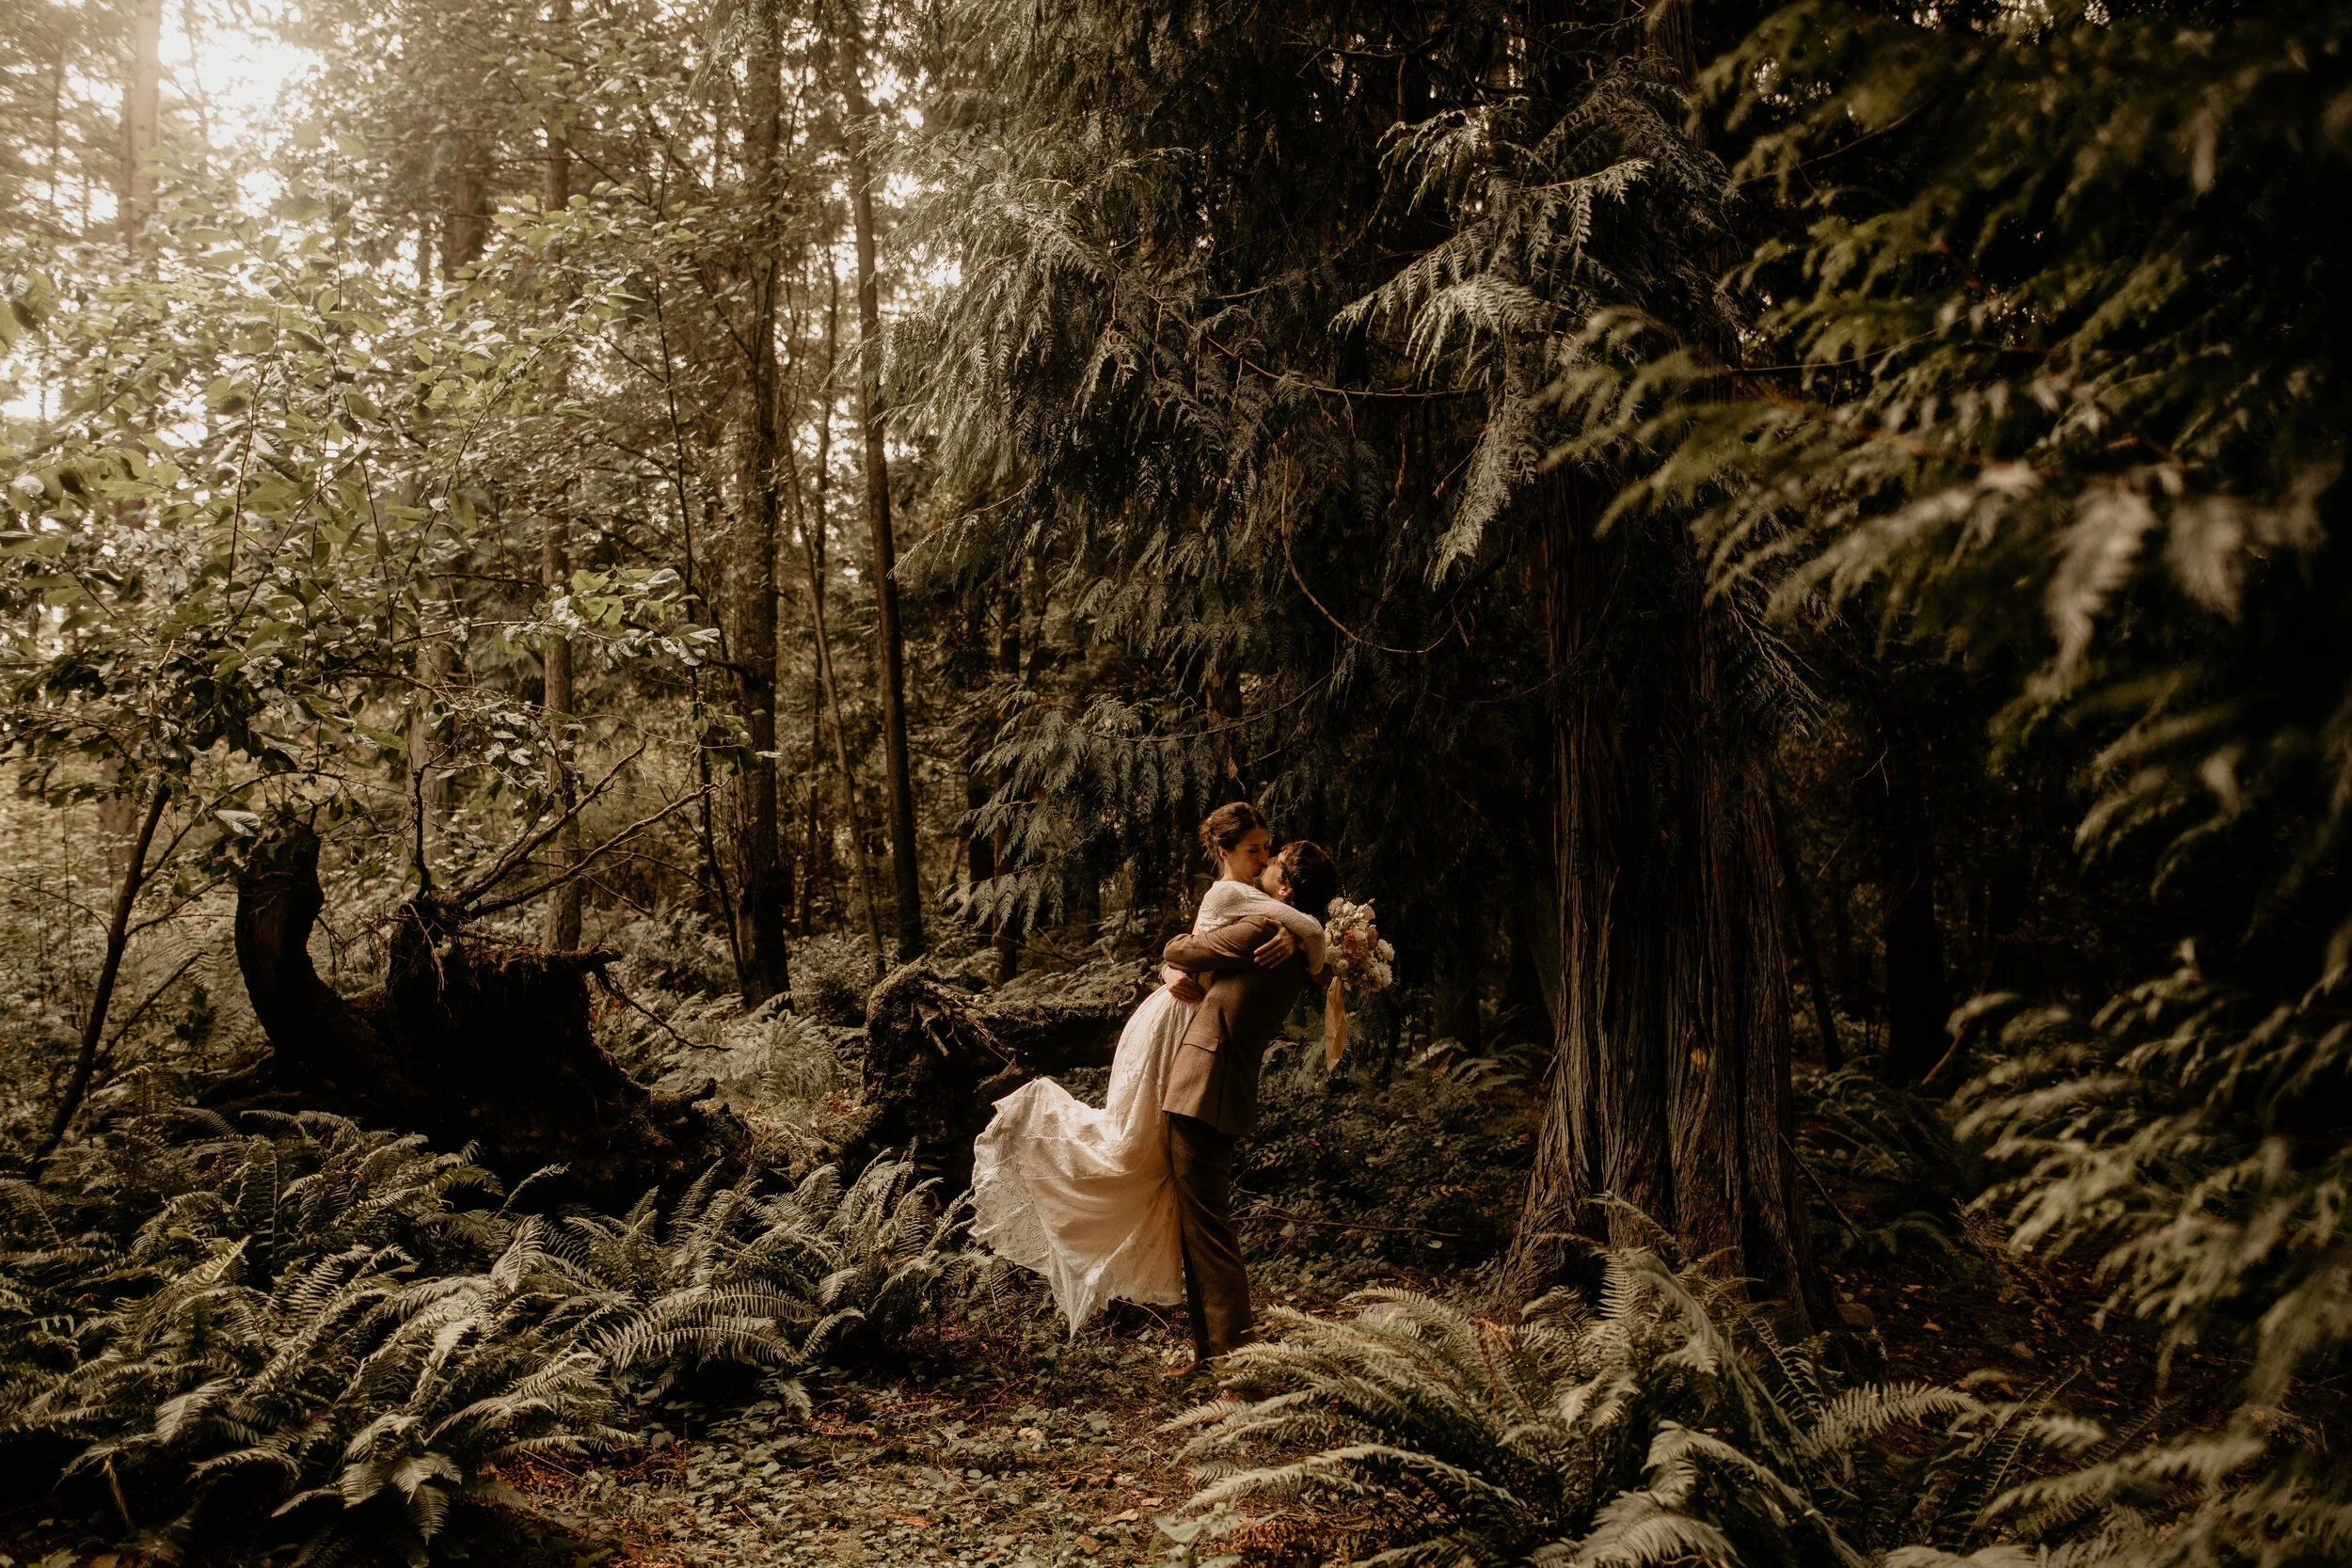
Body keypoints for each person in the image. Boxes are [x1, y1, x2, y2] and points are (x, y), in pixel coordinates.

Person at [967, 803, 1338, 1370]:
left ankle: (1230, 1359)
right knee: (1198, 1225)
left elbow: (1182, 949)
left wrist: (1291, 934)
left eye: (1271, 856)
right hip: (1202, 1081)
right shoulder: (1273, 930)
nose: (1262, 860)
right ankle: (1216, 1355)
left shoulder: (1264, 927)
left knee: (1207, 1230)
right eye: (1255, 850)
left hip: (1205, 1088)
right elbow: (1192, 957)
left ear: (1285, 888)